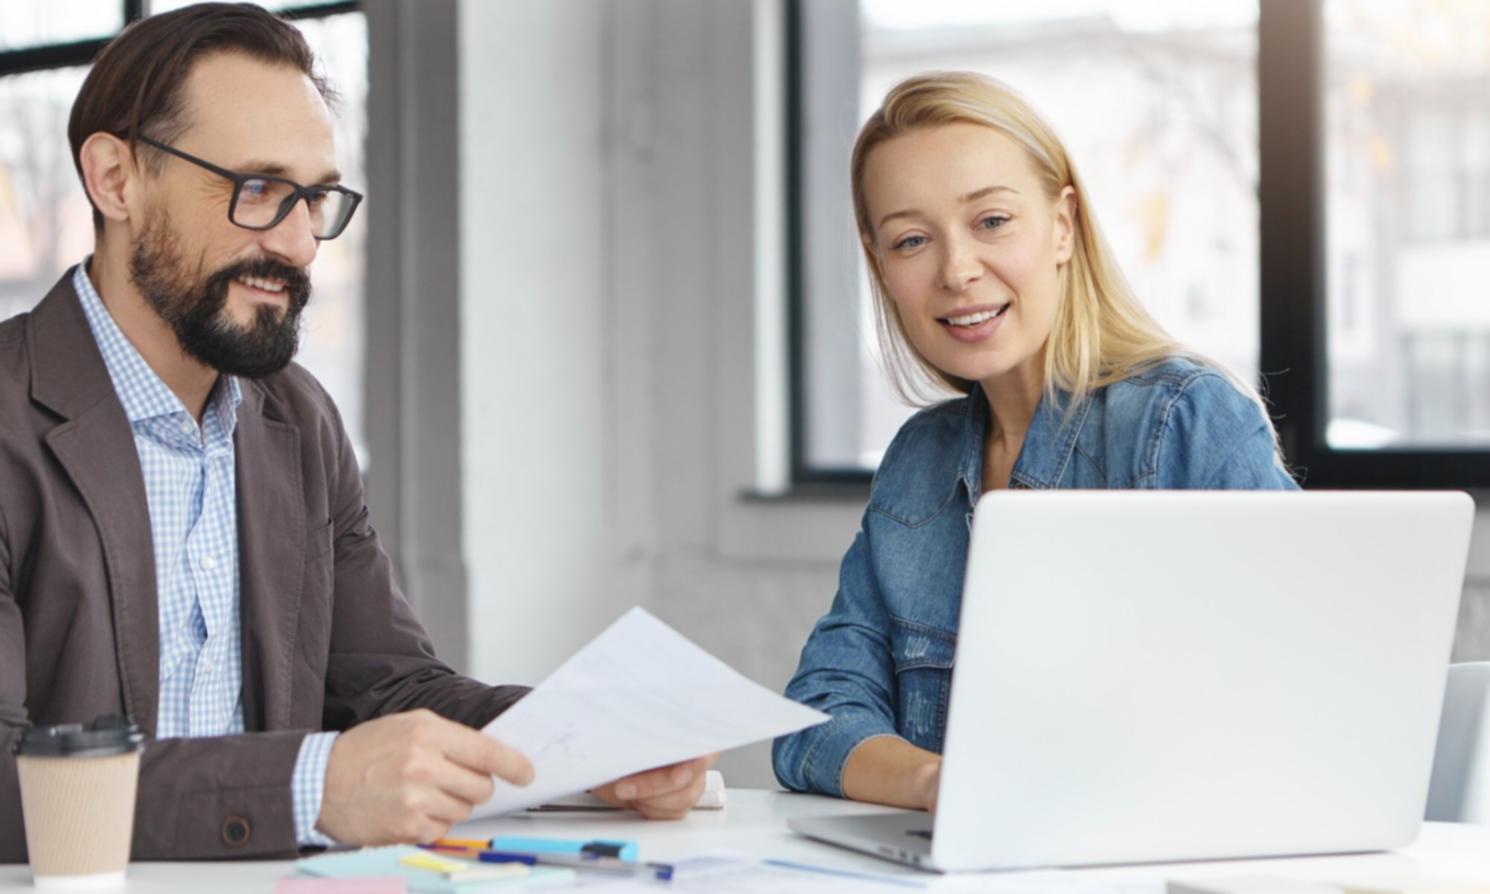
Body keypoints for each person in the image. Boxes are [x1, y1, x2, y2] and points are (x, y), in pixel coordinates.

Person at [0, 3, 710, 862]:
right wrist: (312, 786)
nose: (301, 245)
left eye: (316, 198)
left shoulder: (295, 418)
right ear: (116, 179)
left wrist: (578, 743)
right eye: (258, 191)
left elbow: (387, 688)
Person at [771, 71, 1297, 811]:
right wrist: (935, 783)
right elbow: (814, 719)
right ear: (882, 265)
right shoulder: (919, 464)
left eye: (991, 221)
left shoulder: (1180, 420)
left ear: (1062, 225)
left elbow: (1298, 705)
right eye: (912, 239)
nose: (956, 270)